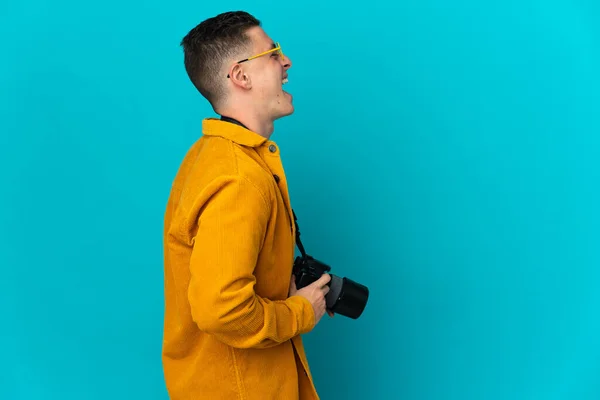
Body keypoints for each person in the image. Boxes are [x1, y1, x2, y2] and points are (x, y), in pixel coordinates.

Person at [162, 10, 332, 400]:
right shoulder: (239, 177)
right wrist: (301, 312)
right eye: (273, 53)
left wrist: (285, 290)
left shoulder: (211, 157)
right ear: (241, 76)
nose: (286, 61)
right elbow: (222, 309)